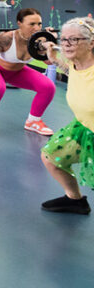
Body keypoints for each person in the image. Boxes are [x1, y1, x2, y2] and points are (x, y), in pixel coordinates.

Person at [40, 17, 94, 214]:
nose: (67, 44)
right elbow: (71, 70)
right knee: (51, 157)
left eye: (74, 40)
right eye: (64, 40)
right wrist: (54, 58)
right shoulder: (75, 64)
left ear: (91, 43)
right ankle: (75, 200)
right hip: (84, 128)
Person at [0, 7, 56, 137]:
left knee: (48, 87)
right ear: (19, 23)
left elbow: (49, 62)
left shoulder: (39, 40)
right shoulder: (7, 38)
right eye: (32, 24)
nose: (37, 28)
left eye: (39, 24)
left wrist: (51, 42)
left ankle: (33, 121)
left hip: (16, 72)